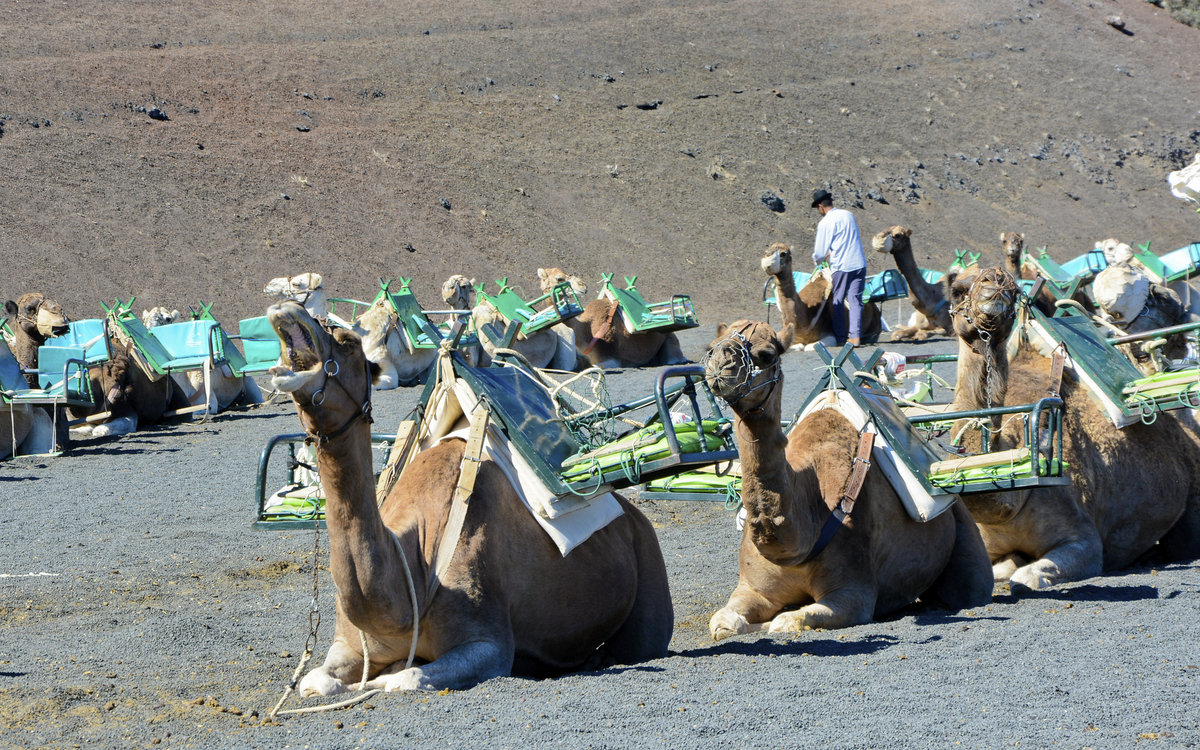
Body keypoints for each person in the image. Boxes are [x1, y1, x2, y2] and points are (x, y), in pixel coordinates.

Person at [811, 188, 867, 345]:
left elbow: (819, 251)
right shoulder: (848, 215)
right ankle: (855, 337)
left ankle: (841, 338)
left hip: (842, 265)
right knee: (855, 300)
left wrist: (818, 260)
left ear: (821, 206)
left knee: (838, 300)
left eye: (817, 208)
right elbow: (846, 239)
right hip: (859, 263)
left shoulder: (825, 223)